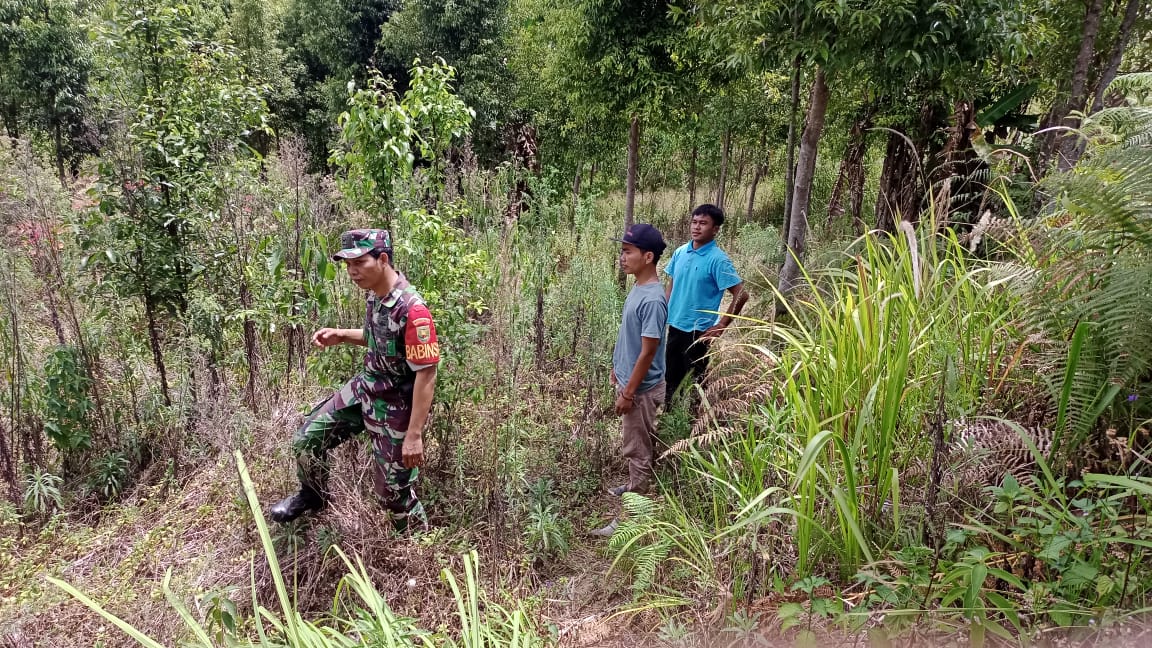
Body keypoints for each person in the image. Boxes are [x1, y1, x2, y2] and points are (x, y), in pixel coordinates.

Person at [269, 229, 440, 533]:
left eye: (359, 262)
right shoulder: (376, 296)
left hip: (396, 406)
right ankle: (313, 496)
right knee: (307, 440)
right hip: (365, 390)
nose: (352, 271)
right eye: (347, 265)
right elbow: (380, 338)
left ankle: (417, 548)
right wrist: (342, 335)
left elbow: (426, 373)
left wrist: (414, 435)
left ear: (383, 259)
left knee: (393, 495)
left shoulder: (413, 310)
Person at [663, 204, 749, 404]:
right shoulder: (680, 252)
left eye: (703, 223)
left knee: (694, 381)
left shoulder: (718, 260)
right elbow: (672, 283)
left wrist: (721, 326)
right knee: (670, 377)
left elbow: (741, 294)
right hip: (675, 324)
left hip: (699, 332)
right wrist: (662, 311)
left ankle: (694, 424)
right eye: (694, 222)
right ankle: (668, 420)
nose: (696, 227)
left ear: (715, 229)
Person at [607, 223, 668, 497]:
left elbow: (648, 351)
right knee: (635, 442)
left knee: (637, 447)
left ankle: (636, 512)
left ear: (648, 257)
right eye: (622, 251)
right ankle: (633, 487)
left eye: (628, 252)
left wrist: (629, 392)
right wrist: (617, 369)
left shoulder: (653, 299)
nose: (622, 258)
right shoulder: (639, 287)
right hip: (630, 381)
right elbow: (630, 338)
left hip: (640, 390)